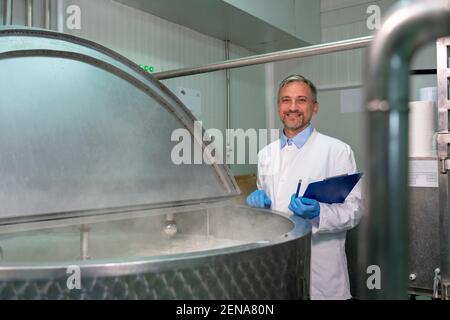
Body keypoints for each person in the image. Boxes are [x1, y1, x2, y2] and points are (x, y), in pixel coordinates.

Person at [246, 74, 362, 300]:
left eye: (301, 100)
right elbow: (268, 213)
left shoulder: (337, 151)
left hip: (322, 275)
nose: (292, 107)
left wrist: (320, 213)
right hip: (277, 267)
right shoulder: (265, 154)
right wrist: (257, 208)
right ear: (279, 107)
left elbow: (354, 211)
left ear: (314, 107)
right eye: (285, 100)